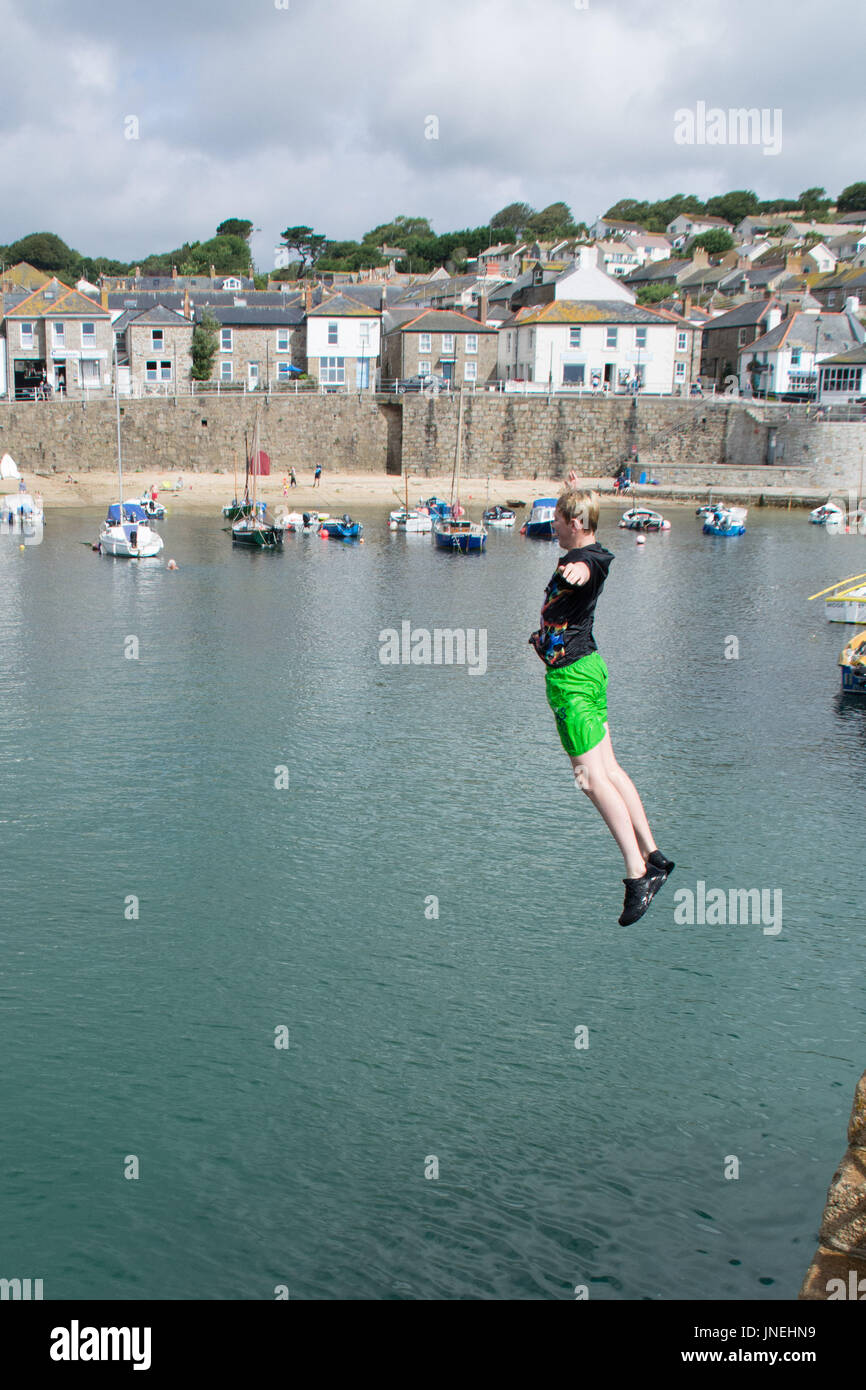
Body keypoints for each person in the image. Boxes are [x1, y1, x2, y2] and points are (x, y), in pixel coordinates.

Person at [529, 482, 674, 925]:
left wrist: (575, 575)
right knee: (610, 769)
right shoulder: (592, 552)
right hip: (590, 667)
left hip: (573, 680)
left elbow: (585, 571)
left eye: (556, 519)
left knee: (591, 780)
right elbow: (594, 562)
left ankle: (638, 873)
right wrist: (573, 490)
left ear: (574, 524)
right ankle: (654, 854)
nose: (551, 526)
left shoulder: (582, 563)